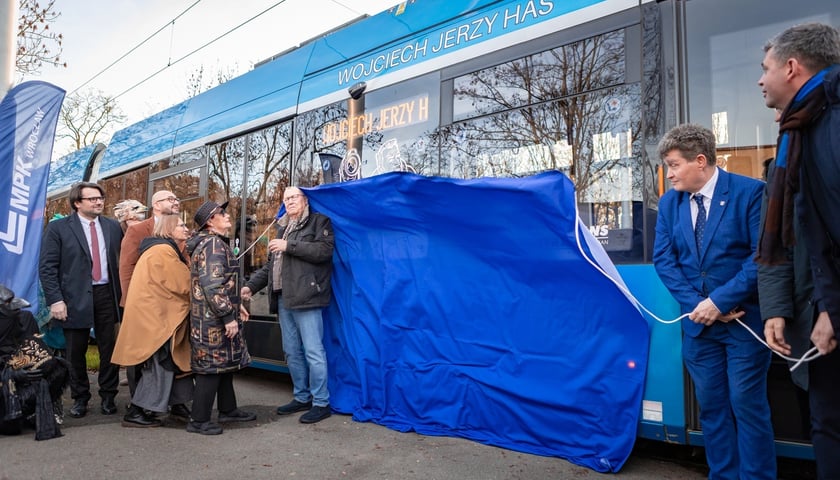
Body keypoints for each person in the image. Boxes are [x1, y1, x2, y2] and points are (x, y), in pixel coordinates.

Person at [652, 124, 775, 479]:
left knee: (747, 405)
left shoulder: (751, 193)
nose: (669, 173)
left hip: (744, 322)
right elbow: (664, 259)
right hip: (698, 326)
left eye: (674, 165)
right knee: (713, 408)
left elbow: (761, 257)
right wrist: (699, 306)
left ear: (700, 161)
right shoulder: (669, 202)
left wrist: (719, 301)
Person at [756, 22, 840, 478]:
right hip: (813, 322)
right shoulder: (795, 134)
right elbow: (784, 242)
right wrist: (775, 309)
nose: (760, 80)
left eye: (765, 68)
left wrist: (833, 308)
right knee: (824, 429)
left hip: (829, 317)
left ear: (792, 67)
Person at [241, 186, 335, 424]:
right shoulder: (282, 228)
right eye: (286, 198)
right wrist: (250, 287)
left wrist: (288, 246)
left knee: (313, 351)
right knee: (291, 351)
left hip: (307, 296)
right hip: (283, 298)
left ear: (305, 200)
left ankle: (321, 402)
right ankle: (301, 397)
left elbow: (324, 252)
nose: (290, 201)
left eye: (294, 197)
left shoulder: (318, 222)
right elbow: (270, 267)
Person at [38, 181, 123, 419]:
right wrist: (55, 300)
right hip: (73, 298)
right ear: (77, 203)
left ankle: (108, 395)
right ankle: (80, 398)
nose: (99, 202)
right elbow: (47, 267)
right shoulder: (59, 229)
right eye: (92, 198)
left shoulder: (113, 227)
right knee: (75, 352)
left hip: (107, 295)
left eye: (100, 198)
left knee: (110, 349)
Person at [112, 214, 193, 428]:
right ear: (168, 230)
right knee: (163, 365)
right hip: (158, 324)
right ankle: (136, 411)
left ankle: (177, 405)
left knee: (174, 363)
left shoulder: (157, 249)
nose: (187, 229)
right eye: (182, 225)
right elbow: (185, 284)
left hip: (156, 320)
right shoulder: (164, 252)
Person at [185, 200, 255, 435]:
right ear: (209, 222)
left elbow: (224, 283)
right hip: (212, 320)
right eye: (221, 213)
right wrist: (227, 316)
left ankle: (228, 409)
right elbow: (213, 286)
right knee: (210, 369)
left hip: (211, 316)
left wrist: (237, 308)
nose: (227, 216)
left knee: (223, 366)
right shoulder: (213, 245)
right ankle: (198, 420)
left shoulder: (212, 243)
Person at [118, 190, 181, 399]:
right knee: (140, 352)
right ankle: (138, 401)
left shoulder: (179, 227)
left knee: (171, 353)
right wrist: (129, 301)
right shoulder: (138, 230)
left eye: (176, 199)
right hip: (144, 303)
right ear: (155, 204)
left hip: (172, 304)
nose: (176, 202)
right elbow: (126, 266)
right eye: (170, 199)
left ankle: (173, 401)